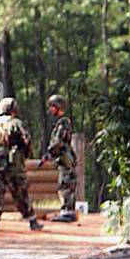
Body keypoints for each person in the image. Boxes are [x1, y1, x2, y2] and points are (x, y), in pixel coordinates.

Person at [0, 97, 42, 232]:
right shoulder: (16, 123)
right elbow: (26, 141)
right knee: (21, 192)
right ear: (13, 109)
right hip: (14, 164)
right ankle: (32, 221)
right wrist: (25, 155)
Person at [42, 94, 78, 222]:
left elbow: (59, 142)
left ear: (58, 107)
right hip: (63, 158)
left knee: (66, 184)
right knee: (65, 183)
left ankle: (67, 212)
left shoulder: (63, 122)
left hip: (65, 158)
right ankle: (67, 211)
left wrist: (49, 153)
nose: (51, 110)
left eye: (52, 107)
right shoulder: (61, 122)